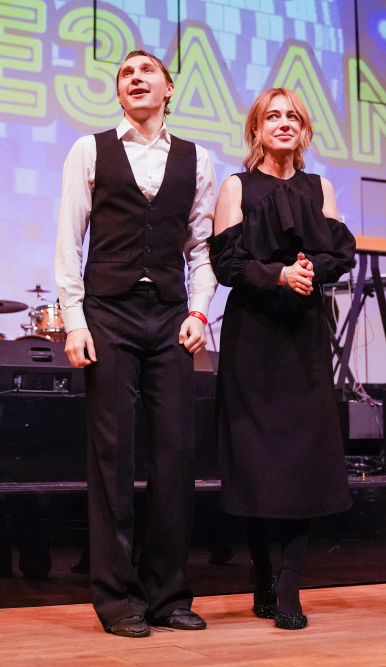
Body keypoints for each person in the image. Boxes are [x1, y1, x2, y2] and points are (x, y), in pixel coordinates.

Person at [55, 50, 216, 638]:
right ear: (119, 92)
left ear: (168, 88)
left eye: (147, 72)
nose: (136, 78)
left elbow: (201, 248)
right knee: (113, 457)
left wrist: (199, 310)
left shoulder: (197, 159)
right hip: (109, 314)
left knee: (175, 455)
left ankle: (168, 594)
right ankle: (119, 598)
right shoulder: (90, 149)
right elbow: (69, 239)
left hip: (171, 316)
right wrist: (74, 320)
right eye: (126, 73)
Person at [209, 88, 356, 630]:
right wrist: (277, 275)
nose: (283, 123)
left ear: (304, 129)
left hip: (304, 337)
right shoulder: (236, 186)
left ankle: (290, 585)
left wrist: (308, 271)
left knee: (304, 460)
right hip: (253, 337)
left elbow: (340, 253)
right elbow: (226, 263)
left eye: (292, 116)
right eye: (272, 116)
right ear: (256, 129)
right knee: (257, 461)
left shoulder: (320, 188)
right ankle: (262, 575)